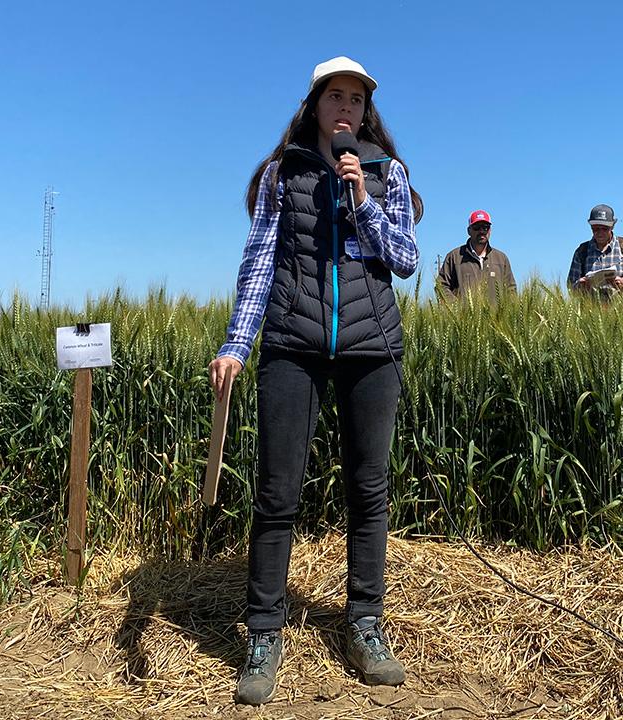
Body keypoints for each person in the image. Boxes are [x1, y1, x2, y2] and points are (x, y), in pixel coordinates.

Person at [207, 56, 422, 706]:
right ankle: (264, 634)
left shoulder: (387, 174)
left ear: (366, 112)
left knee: (368, 490)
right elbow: (260, 263)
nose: (346, 108)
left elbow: (406, 260)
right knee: (277, 493)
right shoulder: (285, 174)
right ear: (314, 106)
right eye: (336, 96)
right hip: (294, 344)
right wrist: (237, 345)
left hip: (370, 346)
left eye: (356, 99)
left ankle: (364, 623)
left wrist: (361, 200)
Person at [435, 209, 517, 302]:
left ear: (490, 230)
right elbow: (441, 286)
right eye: (476, 227)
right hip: (463, 316)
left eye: (485, 227)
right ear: (469, 231)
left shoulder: (501, 259)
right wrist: (455, 308)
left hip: (496, 316)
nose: (481, 231)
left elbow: (511, 290)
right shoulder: (454, 257)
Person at [566, 204, 623, 297]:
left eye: (604, 228)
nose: (600, 232)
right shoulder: (581, 251)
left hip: (621, 309)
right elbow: (570, 287)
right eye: (596, 229)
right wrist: (580, 286)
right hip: (590, 309)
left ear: (612, 226)